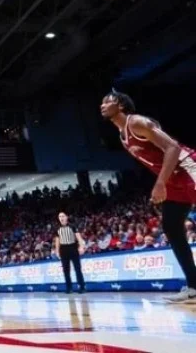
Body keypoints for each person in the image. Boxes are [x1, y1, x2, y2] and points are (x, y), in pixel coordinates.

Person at [101, 90, 196, 303]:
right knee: (171, 227)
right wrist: (163, 183)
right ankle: (194, 285)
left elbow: (173, 147)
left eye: (108, 101)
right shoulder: (122, 136)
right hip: (173, 180)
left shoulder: (137, 122)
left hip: (188, 167)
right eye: (102, 102)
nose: (102, 105)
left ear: (121, 105)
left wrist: (160, 183)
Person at [53, 212, 86, 294]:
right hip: (63, 250)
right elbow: (57, 241)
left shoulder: (72, 226)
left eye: (63, 216)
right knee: (66, 270)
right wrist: (57, 251)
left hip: (73, 248)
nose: (61, 218)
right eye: (60, 216)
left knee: (77, 269)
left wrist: (81, 246)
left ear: (66, 217)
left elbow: (78, 237)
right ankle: (69, 288)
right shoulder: (57, 228)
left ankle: (82, 287)